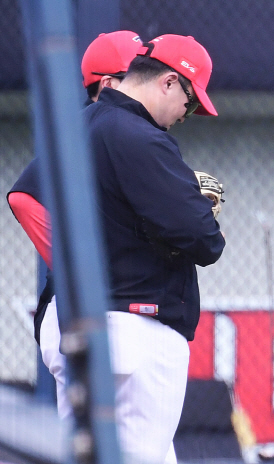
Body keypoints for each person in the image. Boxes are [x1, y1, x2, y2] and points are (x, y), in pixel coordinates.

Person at [8, 32, 225, 464]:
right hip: (135, 328)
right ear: (167, 81)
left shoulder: (82, 126)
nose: (189, 113)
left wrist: (83, 269)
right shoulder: (141, 137)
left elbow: (23, 197)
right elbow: (205, 241)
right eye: (190, 99)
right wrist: (191, 204)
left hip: (82, 324)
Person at [7, 30, 143, 419]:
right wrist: (79, 268)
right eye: (138, 74)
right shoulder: (87, 127)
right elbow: (24, 198)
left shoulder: (119, 133)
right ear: (109, 83)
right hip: (76, 307)